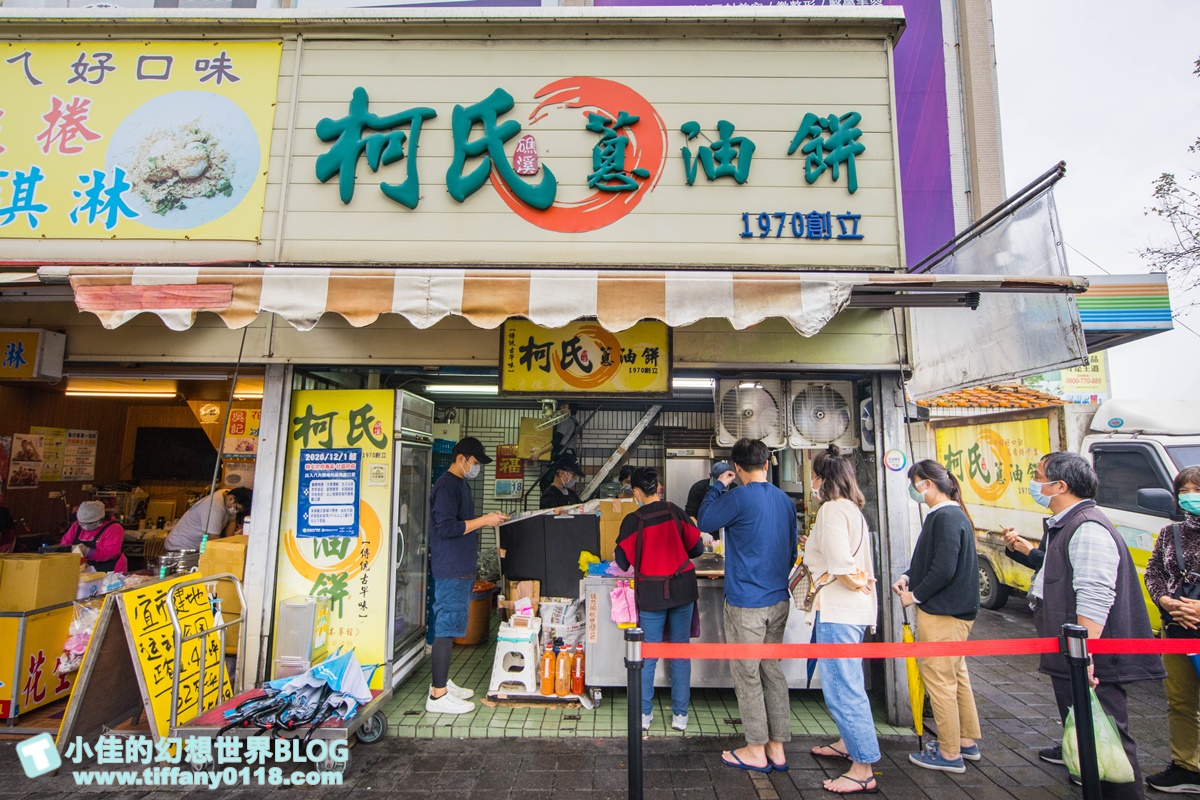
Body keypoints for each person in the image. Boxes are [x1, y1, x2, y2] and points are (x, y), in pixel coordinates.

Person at [1006, 451, 1164, 800]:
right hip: (1075, 656)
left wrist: (1085, 656)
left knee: (1109, 741)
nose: (1034, 483)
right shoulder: (1066, 523)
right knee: (1091, 740)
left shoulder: (1087, 526)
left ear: (1060, 486)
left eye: (1038, 476)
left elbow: (1094, 594)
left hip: (1091, 659)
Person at [698, 438, 798, 774]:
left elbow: (704, 521)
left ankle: (755, 748)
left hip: (746, 603)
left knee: (748, 674)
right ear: (766, 464)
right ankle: (777, 748)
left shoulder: (738, 496)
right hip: (778, 599)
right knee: (772, 672)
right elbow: (792, 550)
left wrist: (718, 485)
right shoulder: (785, 501)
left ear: (737, 468)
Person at [893, 459, 982, 774]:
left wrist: (914, 595)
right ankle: (965, 741)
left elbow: (944, 569)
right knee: (956, 677)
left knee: (940, 680)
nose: (912, 489)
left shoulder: (945, 516)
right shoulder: (950, 515)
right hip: (956, 612)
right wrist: (908, 575)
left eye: (914, 483)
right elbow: (932, 561)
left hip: (942, 612)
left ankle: (949, 753)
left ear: (927, 484)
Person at [805, 446, 881, 794]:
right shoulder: (851, 508)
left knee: (842, 689)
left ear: (823, 479)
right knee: (846, 683)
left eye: (814, 476)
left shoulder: (832, 510)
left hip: (838, 611)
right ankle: (849, 744)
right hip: (849, 611)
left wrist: (856, 579)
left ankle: (862, 768)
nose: (812, 483)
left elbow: (840, 563)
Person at [613, 467, 704, 732]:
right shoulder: (675, 511)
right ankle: (680, 716)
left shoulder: (632, 520)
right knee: (680, 653)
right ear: (659, 487)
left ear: (636, 492)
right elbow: (697, 548)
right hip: (682, 589)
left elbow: (622, 561)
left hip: (652, 593)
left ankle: (643, 715)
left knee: (648, 654)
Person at [426, 436, 508, 714]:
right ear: (461, 458)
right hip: (450, 568)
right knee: (446, 626)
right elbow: (447, 528)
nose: (476, 468)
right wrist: (485, 520)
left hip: (460, 567)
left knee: (452, 624)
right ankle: (437, 694)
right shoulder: (447, 486)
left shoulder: (460, 484)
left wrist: (487, 519)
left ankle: (442, 682)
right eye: (474, 462)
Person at [1143, 465, 1200, 794]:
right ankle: (1186, 765)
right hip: (1176, 629)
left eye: (1197, 490)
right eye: (1184, 491)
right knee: (1180, 702)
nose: (1191, 497)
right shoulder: (1170, 533)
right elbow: (1153, 572)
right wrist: (1165, 600)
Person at [165, 487, 252, 551]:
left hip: (194, 545)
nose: (236, 511)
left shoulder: (226, 493)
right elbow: (214, 538)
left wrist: (229, 544)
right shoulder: (215, 507)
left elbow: (232, 520)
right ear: (231, 499)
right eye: (237, 508)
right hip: (180, 546)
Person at [61, 500, 128, 572]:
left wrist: (88, 551)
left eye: (90, 523)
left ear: (101, 519)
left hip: (111, 570)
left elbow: (112, 553)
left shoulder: (114, 528)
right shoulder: (76, 526)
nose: (85, 526)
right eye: (82, 523)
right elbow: (65, 544)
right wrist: (68, 549)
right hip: (84, 569)